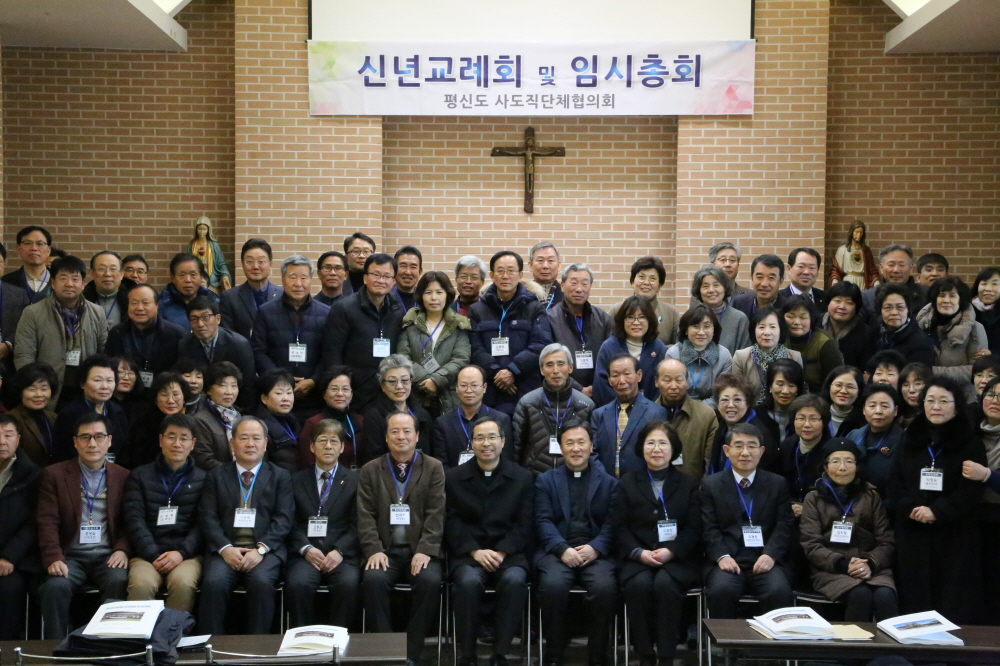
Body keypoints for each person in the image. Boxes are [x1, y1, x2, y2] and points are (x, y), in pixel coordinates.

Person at [887, 376, 985, 623]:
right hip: (912, 529)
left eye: (944, 401)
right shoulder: (908, 438)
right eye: (930, 400)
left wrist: (938, 511)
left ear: (957, 406)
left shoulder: (971, 443)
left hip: (953, 533)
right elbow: (894, 481)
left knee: (951, 600)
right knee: (913, 599)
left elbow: (970, 491)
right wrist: (911, 508)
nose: (936, 407)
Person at [358, 411, 445, 666]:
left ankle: (411, 652)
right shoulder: (370, 469)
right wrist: (374, 549)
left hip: (419, 549)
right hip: (385, 550)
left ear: (417, 436)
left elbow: (436, 513)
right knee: (373, 580)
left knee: (430, 580)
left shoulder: (434, 467)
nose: (401, 436)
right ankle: (387, 652)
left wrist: (425, 549)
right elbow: (364, 515)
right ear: (386, 437)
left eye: (407, 431)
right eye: (394, 431)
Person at [446, 416, 534, 666]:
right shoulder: (454, 477)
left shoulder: (522, 477)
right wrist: (475, 551)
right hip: (469, 554)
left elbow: (525, 523)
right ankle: (467, 654)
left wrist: (503, 551)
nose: (486, 443)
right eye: (480, 438)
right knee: (468, 582)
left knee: (514, 581)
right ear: (472, 443)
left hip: (509, 554)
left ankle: (501, 653)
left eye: (492, 437)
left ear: (503, 441)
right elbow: (451, 521)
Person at [613, 420, 700, 666]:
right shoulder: (628, 482)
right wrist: (638, 552)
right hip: (638, 558)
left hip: (676, 559)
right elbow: (619, 526)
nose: (656, 449)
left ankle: (666, 655)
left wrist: (671, 552)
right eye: (650, 443)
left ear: (673, 450)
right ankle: (645, 654)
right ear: (642, 448)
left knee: (666, 585)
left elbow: (694, 528)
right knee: (638, 585)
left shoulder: (689, 484)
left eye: (663, 443)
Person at [36, 414, 131, 638]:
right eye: (85, 437)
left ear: (109, 440)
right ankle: (55, 646)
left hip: (107, 556)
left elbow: (131, 520)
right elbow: (47, 520)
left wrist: (122, 549)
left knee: (119, 580)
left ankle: (109, 643)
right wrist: (53, 557)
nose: (92, 444)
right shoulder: (55, 474)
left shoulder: (124, 476)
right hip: (70, 556)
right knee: (54, 588)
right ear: (75, 442)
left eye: (99, 437)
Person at [197, 415, 294, 634]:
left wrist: (260, 550)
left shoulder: (280, 476)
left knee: (261, 582)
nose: (250, 444)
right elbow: (207, 517)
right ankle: (212, 645)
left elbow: (284, 519)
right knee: (214, 582)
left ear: (265, 443)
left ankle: (257, 647)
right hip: (225, 549)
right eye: (244, 438)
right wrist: (225, 548)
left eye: (256, 438)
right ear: (232, 443)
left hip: (265, 551)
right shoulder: (216, 476)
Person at [535, 421, 618, 666]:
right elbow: (542, 520)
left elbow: (614, 523)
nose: (575, 448)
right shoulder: (545, 480)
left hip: (596, 551)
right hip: (557, 551)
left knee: (604, 588)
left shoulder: (609, 482)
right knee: (552, 586)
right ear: (560, 448)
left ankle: (598, 656)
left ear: (591, 446)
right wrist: (562, 549)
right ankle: (554, 655)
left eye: (581, 442)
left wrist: (596, 547)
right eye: (569, 443)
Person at [701, 423, 795, 618]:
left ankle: (768, 640)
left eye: (752, 446)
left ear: (761, 451)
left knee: (778, 591)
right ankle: (726, 640)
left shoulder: (777, 484)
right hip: (728, 559)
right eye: (738, 446)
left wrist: (770, 554)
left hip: (764, 558)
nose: (745, 452)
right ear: (726, 450)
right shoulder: (711, 485)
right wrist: (722, 556)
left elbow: (784, 524)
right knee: (721, 591)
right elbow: (708, 526)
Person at [799, 438, 898, 621]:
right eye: (835, 461)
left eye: (849, 461)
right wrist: (844, 564)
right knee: (860, 594)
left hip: (871, 565)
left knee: (885, 595)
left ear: (857, 466)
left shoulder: (871, 495)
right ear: (825, 467)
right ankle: (855, 640)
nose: (842, 467)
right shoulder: (814, 498)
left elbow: (886, 540)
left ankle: (888, 642)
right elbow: (811, 544)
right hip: (831, 568)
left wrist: (869, 564)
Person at [122, 413, 206, 612]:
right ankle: (140, 633)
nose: (177, 443)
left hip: (186, 556)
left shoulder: (204, 479)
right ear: (161, 440)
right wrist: (153, 554)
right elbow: (134, 520)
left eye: (184, 438)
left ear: (192, 444)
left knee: (183, 584)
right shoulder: (139, 475)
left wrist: (181, 553)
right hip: (146, 555)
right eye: (171, 437)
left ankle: (173, 632)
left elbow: (203, 524)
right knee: (141, 585)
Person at [285, 419, 361, 628]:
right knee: (297, 584)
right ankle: (302, 640)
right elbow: (289, 521)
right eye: (322, 441)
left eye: (334, 441)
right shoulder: (295, 480)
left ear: (342, 447)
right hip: (306, 554)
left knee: (348, 584)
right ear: (312, 446)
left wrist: (340, 551)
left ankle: (339, 640)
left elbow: (359, 524)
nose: (328, 446)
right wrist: (306, 549)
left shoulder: (355, 481)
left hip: (341, 555)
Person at [14, 255, 108, 407]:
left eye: (75, 279)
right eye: (63, 278)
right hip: (48, 390)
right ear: (53, 283)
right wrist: (36, 389)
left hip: (85, 389)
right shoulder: (33, 313)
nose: (69, 284)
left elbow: (103, 353)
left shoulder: (97, 312)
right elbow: (24, 356)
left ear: (83, 284)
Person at [468, 251, 552, 415]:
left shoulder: (534, 308)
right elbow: (474, 348)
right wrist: (496, 372)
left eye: (511, 270)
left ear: (520, 275)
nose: (505, 276)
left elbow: (540, 345)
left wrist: (513, 370)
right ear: (492, 275)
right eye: (500, 271)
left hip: (525, 390)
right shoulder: (477, 310)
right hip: (490, 390)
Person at [321, 252, 405, 411]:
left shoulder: (397, 311)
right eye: (376, 275)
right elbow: (332, 353)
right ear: (365, 278)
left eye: (387, 276)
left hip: (387, 390)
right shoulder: (344, 308)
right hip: (355, 392)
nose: (381, 280)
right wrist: (342, 387)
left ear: (393, 281)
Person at [252, 255, 330, 415]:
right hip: (276, 396)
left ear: (311, 280)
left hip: (314, 397)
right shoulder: (265, 312)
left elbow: (329, 353)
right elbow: (258, 351)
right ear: (282, 279)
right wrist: (282, 381)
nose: (298, 284)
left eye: (304, 278)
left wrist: (314, 380)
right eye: (292, 277)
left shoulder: (326, 313)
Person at [512, 343, 595, 474]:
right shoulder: (527, 403)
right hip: (535, 477)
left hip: (574, 476)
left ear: (570, 367)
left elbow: (593, 449)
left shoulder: (586, 405)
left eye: (561, 364)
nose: (556, 370)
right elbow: (517, 447)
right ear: (541, 370)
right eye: (549, 365)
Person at [398, 271, 471, 414]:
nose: (434, 298)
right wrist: (426, 380)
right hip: (415, 394)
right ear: (421, 296)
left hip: (449, 395)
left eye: (439, 292)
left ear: (447, 295)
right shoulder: (410, 323)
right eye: (428, 292)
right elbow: (403, 357)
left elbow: (461, 358)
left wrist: (436, 380)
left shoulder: (458, 324)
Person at [960, 376, 1000, 623]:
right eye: (991, 394)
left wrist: (987, 475)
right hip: (970, 520)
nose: (995, 401)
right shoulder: (968, 430)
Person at [591, 353, 667, 478]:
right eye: (615, 375)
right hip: (607, 483)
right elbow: (592, 452)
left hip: (642, 483)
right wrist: (606, 480)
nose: (622, 381)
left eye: (627, 374)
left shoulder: (656, 412)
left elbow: (659, 452)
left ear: (639, 375)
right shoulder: (599, 414)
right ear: (609, 380)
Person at [0, 413, 42, 640]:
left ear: (18, 439)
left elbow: (35, 522)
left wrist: (9, 556)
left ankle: (7, 651)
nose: (2, 442)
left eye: (8, 435)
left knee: (9, 588)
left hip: (15, 559)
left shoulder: (33, 475)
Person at [178, 295, 256, 412]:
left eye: (205, 317)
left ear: (218, 318)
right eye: (194, 319)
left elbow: (248, 386)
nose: (200, 324)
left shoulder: (239, 345)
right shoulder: (185, 345)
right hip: (197, 407)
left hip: (234, 407)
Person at [546, 263, 613, 396]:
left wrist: (597, 386)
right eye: (574, 283)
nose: (579, 289)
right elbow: (547, 361)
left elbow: (611, 357)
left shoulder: (603, 318)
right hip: (562, 393)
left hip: (599, 392)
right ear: (562, 286)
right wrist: (578, 389)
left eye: (584, 284)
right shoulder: (549, 319)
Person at [431, 365, 513, 469]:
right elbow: (441, 464)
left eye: (474, 385)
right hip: (455, 478)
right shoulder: (443, 423)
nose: (469, 390)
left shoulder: (501, 419)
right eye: (463, 385)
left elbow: (506, 460)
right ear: (457, 388)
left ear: (484, 387)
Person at [52, 355, 129, 464]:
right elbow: (62, 455)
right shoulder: (69, 414)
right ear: (82, 383)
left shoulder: (117, 411)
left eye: (109, 380)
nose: (105, 386)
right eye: (98, 380)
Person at [593, 296, 668, 408]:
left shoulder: (659, 348)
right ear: (622, 320)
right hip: (615, 411)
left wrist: (648, 409)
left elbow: (662, 384)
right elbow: (601, 386)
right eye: (630, 317)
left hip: (651, 411)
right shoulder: (608, 347)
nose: (636, 322)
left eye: (642, 317)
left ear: (649, 320)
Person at [106, 284, 187, 385]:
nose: (140, 308)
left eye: (145, 303)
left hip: (164, 390)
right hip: (127, 391)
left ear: (157, 305)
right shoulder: (117, 333)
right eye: (134, 303)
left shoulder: (176, 334)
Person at [360, 354, 434, 464]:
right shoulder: (373, 417)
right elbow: (372, 459)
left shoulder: (423, 416)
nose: (399, 386)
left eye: (404, 380)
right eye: (392, 381)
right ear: (383, 386)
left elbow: (431, 455)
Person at [654, 358, 718, 480]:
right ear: (656, 382)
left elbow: (710, 462)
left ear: (687, 382)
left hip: (694, 486)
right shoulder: (647, 415)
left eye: (679, 380)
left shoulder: (706, 415)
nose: (673, 386)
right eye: (667, 380)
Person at [916, 275, 989, 382]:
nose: (946, 300)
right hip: (924, 390)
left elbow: (977, 370)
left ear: (960, 300)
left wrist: (932, 372)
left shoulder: (975, 329)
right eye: (941, 296)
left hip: (960, 390)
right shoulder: (920, 325)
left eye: (952, 296)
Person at [707, 373, 779, 476]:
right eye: (724, 400)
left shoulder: (759, 434)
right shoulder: (722, 428)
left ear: (748, 403)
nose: (730, 405)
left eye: (737, 400)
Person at [731, 306, 804, 404]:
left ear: (781, 330)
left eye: (773, 327)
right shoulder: (741, 357)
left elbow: (799, 391)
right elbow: (736, 393)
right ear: (754, 330)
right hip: (751, 410)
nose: (767, 332)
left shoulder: (794, 357)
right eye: (761, 327)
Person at [121, 372, 193, 470]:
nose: (170, 400)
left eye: (176, 394)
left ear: (184, 398)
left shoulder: (191, 424)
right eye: (164, 395)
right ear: (155, 399)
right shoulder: (141, 425)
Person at [298, 366, 364, 469]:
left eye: (345, 389)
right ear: (324, 394)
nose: (340, 394)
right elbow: (307, 462)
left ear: (351, 394)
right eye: (334, 389)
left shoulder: (361, 421)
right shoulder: (314, 423)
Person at [665, 303, 733, 402]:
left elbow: (722, 394)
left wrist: (700, 409)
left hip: (713, 409)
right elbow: (670, 390)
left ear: (714, 330)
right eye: (695, 326)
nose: (701, 332)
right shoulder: (673, 354)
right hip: (679, 407)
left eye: (706, 326)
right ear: (686, 330)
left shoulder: (724, 355)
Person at [847, 384, 904, 499]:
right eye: (872, 406)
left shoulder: (905, 441)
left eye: (885, 406)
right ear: (864, 410)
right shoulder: (853, 435)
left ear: (895, 411)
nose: (878, 411)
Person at [219, 239, 283, 340]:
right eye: (250, 261)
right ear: (242, 264)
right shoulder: (229, 298)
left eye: (261, 261)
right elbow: (227, 336)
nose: (255, 266)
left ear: (270, 264)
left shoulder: (283, 295)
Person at [778, 395, 831, 515]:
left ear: (824, 422)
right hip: (788, 510)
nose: (806, 424)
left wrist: (807, 508)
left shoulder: (831, 451)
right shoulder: (787, 446)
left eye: (813, 419)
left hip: (820, 513)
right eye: (801, 418)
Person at [609, 256, 679, 345]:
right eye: (641, 277)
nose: (646, 282)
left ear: (659, 285)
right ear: (632, 282)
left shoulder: (671, 313)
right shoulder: (617, 310)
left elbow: (679, 347)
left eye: (652, 278)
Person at [782, 295, 843, 393]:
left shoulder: (824, 342)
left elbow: (836, 380)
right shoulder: (777, 338)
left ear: (811, 318)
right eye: (790, 317)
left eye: (803, 317)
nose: (796, 322)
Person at [191, 362, 243, 470]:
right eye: (223, 385)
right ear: (209, 389)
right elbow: (203, 459)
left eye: (234, 386)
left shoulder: (239, 417)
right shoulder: (200, 420)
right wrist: (234, 473)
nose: (229, 392)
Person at [869, 283, 936, 365]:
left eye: (900, 307)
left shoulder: (921, 342)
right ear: (880, 310)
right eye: (888, 307)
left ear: (908, 310)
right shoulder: (873, 332)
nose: (894, 313)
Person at [7, 362, 59, 467]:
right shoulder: (11, 419)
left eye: (44, 389)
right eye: (32, 389)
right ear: (20, 391)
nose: (39, 394)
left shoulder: (54, 417)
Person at [690, 265, 751, 354]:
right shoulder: (690, 318)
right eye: (705, 286)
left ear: (725, 288)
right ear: (699, 290)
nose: (711, 290)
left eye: (716, 285)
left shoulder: (739, 319)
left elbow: (745, 355)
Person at [861, 244, 927, 321]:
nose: (896, 270)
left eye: (902, 265)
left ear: (911, 268)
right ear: (881, 268)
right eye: (891, 265)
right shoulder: (867, 297)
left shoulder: (926, 294)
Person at [253, 369, 301, 472]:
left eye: (289, 393)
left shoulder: (292, 420)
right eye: (279, 393)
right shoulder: (258, 427)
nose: (285, 398)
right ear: (264, 398)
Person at [157, 253, 220, 330]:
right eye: (182, 275)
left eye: (193, 274)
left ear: (201, 277)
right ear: (173, 278)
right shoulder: (161, 305)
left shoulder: (214, 300)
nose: (188, 280)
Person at [822, 280, 872, 370]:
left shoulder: (865, 334)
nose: (842, 307)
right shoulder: (815, 324)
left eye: (849, 303)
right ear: (828, 303)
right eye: (837, 301)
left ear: (856, 308)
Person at [0, 242, 32, 379]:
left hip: (10, 363)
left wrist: (8, 345)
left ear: (5, 263)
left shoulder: (18, 294)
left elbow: (25, 327)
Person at [82, 251, 134, 330]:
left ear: (122, 274)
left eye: (113, 269)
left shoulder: (133, 300)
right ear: (92, 273)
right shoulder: (81, 300)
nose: (107, 274)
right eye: (102, 269)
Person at [2, 225, 53, 303]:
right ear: (18, 248)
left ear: (48, 250)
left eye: (40, 243)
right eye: (28, 243)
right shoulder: (6, 281)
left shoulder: (58, 279)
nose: (34, 248)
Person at [829, 220, 879, 290]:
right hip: (848, 282)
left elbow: (872, 270)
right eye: (856, 232)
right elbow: (836, 269)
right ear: (851, 232)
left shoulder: (866, 250)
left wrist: (876, 282)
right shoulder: (842, 250)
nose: (858, 235)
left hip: (863, 282)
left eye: (861, 233)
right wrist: (835, 281)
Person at [732, 254, 786, 318]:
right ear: (752, 277)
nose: (764, 284)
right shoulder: (738, 303)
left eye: (771, 278)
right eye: (759, 277)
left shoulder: (787, 308)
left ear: (781, 280)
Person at [186, 216, 232, 292]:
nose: (202, 232)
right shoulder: (192, 245)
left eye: (204, 229)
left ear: (208, 230)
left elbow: (221, 263)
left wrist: (225, 276)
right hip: (195, 280)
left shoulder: (214, 246)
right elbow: (186, 262)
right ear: (196, 229)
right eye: (199, 229)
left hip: (211, 280)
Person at [823, 365, 867, 437]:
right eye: (838, 385)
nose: (843, 391)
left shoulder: (865, 420)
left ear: (859, 391)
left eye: (850, 387)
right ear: (829, 386)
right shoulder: (818, 414)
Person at [972, 266, 1000, 354]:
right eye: (984, 283)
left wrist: (992, 353)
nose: (988, 289)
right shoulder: (966, 309)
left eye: (995, 284)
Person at [529, 241, 563, 310]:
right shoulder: (520, 294)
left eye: (550, 261)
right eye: (540, 260)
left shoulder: (566, 295)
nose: (545, 266)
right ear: (531, 266)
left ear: (559, 266)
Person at [111, 356, 145, 423]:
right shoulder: (102, 404)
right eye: (120, 372)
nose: (126, 378)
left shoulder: (142, 406)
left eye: (131, 373)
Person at [393, 246, 423, 312]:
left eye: (413, 267)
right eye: (403, 266)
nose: (408, 272)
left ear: (420, 272)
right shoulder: (384, 298)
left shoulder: (424, 300)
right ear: (394, 270)